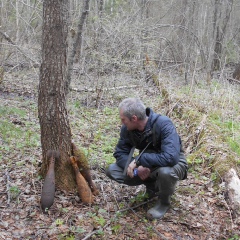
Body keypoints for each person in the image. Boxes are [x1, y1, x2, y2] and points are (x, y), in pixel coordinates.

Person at [106, 97, 188, 220]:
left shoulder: (164, 124)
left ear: (134, 118)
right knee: (112, 170)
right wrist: (137, 169)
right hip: (146, 165)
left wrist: (140, 160)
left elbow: (171, 157)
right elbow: (120, 153)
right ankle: (152, 187)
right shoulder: (127, 130)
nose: (121, 123)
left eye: (123, 120)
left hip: (174, 163)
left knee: (165, 172)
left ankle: (163, 202)